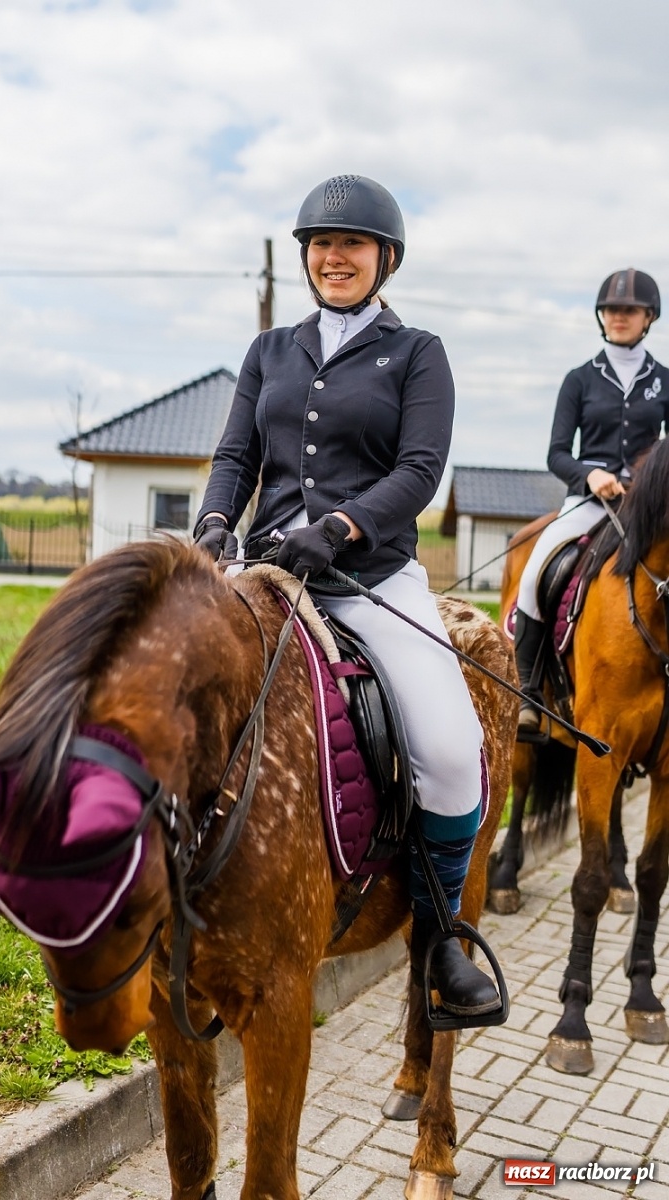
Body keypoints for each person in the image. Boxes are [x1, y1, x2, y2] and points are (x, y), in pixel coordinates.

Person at [193, 174, 500, 1020]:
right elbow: (234, 458)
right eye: (322, 246)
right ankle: (187, 919)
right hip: (265, 577)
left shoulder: (418, 353)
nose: (334, 257)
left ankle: (442, 939)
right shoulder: (270, 352)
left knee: (447, 747)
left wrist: (339, 530)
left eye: (352, 246)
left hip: (368, 580)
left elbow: (419, 473)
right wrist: (216, 522)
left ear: (384, 259)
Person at [515, 268, 668, 738]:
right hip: (589, 501)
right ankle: (529, 691)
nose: (620, 317)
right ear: (602, 317)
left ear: (648, 318)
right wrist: (590, 474)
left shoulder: (664, 380)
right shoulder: (579, 379)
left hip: (645, 506)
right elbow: (557, 452)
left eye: (630, 310)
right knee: (536, 569)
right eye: (612, 310)